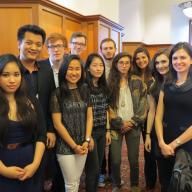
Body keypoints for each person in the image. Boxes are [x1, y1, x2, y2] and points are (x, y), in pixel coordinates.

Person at [17, 24, 56, 191]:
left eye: (38, 44)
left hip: (43, 135)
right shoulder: (9, 70)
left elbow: (50, 103)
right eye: (29, 43)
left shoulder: (46, 71)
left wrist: (51, 129)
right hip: (16, 135)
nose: (34, 48)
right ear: (19, 43)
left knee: (40, 178)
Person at [0, 54, 46, 192]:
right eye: (6, 75)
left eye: (16, 74)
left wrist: (35, 164)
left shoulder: (29, 100)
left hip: (31, 165)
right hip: (4, 167)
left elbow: (41, 135)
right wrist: (3, 170)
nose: (12, 80)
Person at [50, 54, 93, 192]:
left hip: (83, 144)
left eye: (77, 69)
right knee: (70, 183)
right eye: (70, 69)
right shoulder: (57, 93)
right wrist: (74, 146)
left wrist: (86, 140)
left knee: (76, 180)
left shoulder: (85, 90)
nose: (74, 72)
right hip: (65, 146)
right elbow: (57, 124)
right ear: (64, 71)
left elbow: (89, 118)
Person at [155, 42, 192, 192]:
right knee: (165, 182)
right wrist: (162, 142)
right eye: (175, 58)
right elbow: (158, 117)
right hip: (165, 141)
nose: (178, 62)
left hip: (187, 144)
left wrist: (173, 145)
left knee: (183, 184)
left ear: (191, 60)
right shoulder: (166, 84)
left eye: (183, 57)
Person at [108, 52, 147, 192]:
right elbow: (108, 106)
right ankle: (116, 184)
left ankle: (135, 184)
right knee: (116, 159)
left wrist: (131, 122)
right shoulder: (109, 81)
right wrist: (119, 123)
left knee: (133, 159)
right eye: (121, 62)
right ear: (116, 64)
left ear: (131, 65)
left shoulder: (138, 81)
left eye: (127, 63)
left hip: (133, 125)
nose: (124, 65)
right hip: (115, 126)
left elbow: (144, 105)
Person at [40, 33, 68, 191]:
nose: (56, 49)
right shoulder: (40, 67)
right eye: (52, 46)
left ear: (65, 49)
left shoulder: (69, 67)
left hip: (67, 120)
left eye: (59, 46)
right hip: (47, 121)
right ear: (47, 49)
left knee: (63, 160)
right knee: (48, 160)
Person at [84, 53, 111, 192]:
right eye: (94, 65)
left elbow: (106, 110)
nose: (98, 68)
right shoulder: (84, 87)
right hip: (90, 131)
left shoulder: (103, 86)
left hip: (102, 130)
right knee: (92, 169)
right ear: (88, 68)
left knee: (99, 167)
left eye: (101, 65)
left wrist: (107, 131)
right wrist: (88, 137)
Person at [144, 48, 170, 192]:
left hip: (176, 130)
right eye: (157, 63)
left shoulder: (179, 81)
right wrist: (147, 135)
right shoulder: (153, 84)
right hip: (158, 131)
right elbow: (151, 111)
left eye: (164, 61)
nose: (160, 65)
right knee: (163, 171)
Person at [132, 47, 156, 191]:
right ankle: (150, 182)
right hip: (139, 117)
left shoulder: (155, 74)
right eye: (138, 58)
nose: (141, 61)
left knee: (154, 149)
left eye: (143, 57)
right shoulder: (133, 75)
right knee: (147, 152)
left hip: (154, 116)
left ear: (148, 58)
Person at [99, 38, 116, 187]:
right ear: (101, 50)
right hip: (100, 109)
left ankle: (113, 172)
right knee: (101, 143)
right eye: (105, 48)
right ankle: (101, 173)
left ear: (115, 49)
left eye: (111, 48)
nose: (108, 50)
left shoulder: (118, 67)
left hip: (115, 111)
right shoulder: (98, 67)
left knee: (114, 145)